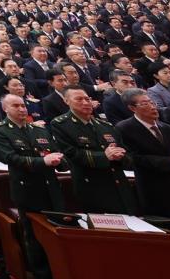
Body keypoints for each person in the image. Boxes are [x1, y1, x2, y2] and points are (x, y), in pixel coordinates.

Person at [0, 94, 67, 279]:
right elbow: (10, 158)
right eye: (16, 106)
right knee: (34, 239)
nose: (22, 109)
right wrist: (43, 162)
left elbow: (57, 153)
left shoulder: (38, 129)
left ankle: (60, 276)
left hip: (51, 188)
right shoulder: (0, 130)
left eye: (23, 105)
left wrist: (60, 161)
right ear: (5, 109)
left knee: (57, 235)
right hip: (28, 190)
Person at [50, 85, 136, 214]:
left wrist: (121, 156)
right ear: (66, 101)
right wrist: (104, 156)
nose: (85, 103)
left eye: (87, 99)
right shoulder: (60, 124)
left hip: (119, 185)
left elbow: (127, 153)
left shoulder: (105, 125)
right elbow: (70, 154)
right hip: (92, 186)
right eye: (79, 99)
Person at [114, 89, 170, 216]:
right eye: (145, 104)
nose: (152, 107)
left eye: (152, 102)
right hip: (152, 186)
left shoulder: (168, 128)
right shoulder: (124, 128)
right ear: (132, 108)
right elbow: (131, 158)